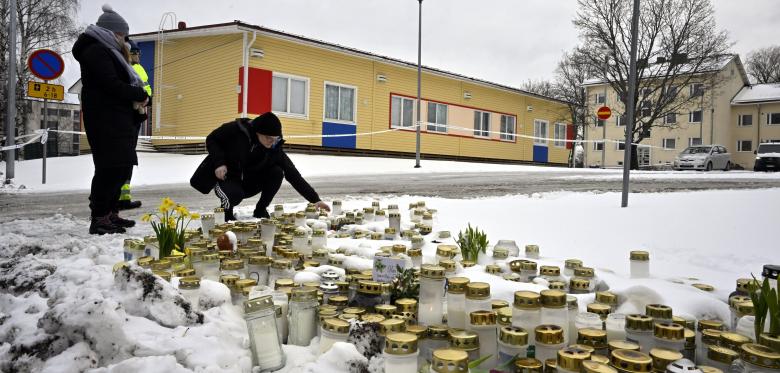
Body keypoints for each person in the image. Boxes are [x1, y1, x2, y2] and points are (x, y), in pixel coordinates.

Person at [72, 4, 149, 234]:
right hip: (106, 120)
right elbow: (111, 85)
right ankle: (99, 217)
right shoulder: (96, 51)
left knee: (121, 168)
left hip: (118, 119)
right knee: (109, 169)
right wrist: (138, 94)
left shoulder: (109, 51)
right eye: (122, 35)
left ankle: (111, 212)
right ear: (111, 33)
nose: (124, 40)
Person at [190, 112, 329, 221]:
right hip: (227, 177)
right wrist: (219, 163)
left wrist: (315, 199)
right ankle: (227, 212)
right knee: (234, 196)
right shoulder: (235, 130)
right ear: (258, 132)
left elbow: (293, 174)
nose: (272, 142)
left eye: (276, 139)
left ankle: (261, 209)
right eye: (269, 138)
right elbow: (211, 139)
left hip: (249, 182)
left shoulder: (274, 147)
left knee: (277, 172)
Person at [115, 39, 151, 210]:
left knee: (127, 158)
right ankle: (116, 197)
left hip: (135, 117)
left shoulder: (139, 69)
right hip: (126, 118)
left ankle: (123, 197)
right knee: (121, 158)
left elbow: (148, 90)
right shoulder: (122, 67)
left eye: (138, 53)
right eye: (134, 52)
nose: (137, 56)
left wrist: (147, 99)